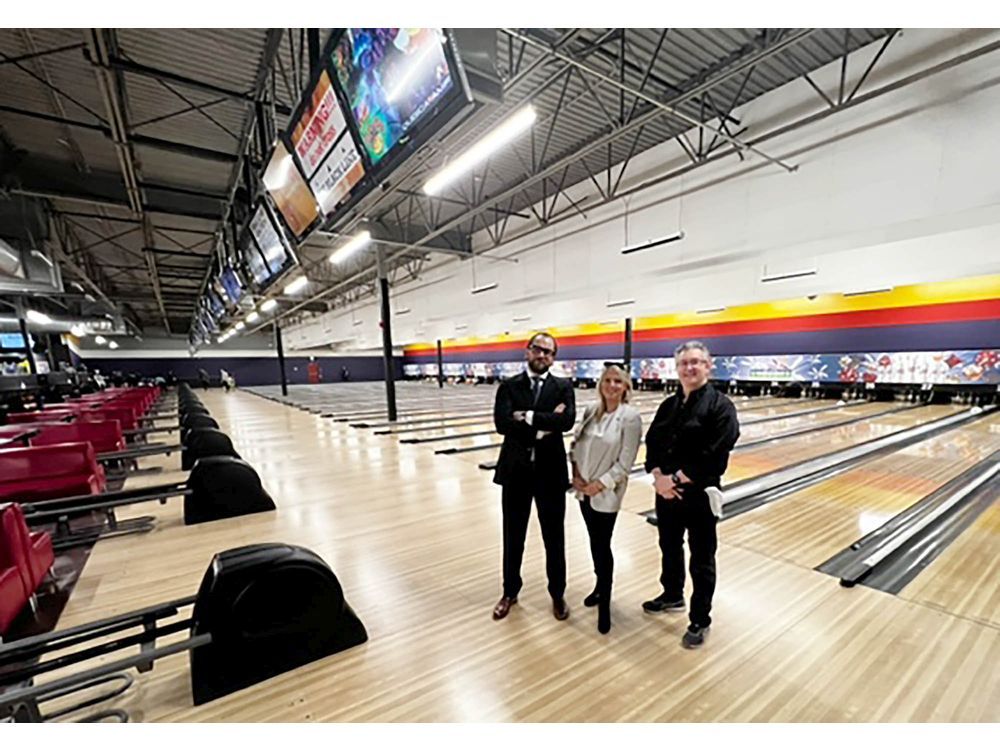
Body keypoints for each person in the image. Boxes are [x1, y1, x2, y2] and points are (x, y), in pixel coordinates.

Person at [642, 341, 739, 649]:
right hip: (666, 493)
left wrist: (675, 478)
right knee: (669, 546)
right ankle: (672, 595)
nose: (690, 367)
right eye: (684, 363)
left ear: (708, 366)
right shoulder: (668, 405)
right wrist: (658, 477)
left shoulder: (721, 406)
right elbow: (653, 443)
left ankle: (700, 619)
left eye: (696, 362)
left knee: (702, 558)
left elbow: (715, 453)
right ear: (677, 368)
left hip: (699, 494)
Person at [492, 332, 576, 622]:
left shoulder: (564, 387)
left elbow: (566, 422)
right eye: (538, 350)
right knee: (512, 536)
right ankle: (509, 592)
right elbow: (501, 423)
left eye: (549, 352)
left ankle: (557, 594)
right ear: (527, 351)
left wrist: (525, 416)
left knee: (555, 537)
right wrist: (543, 425)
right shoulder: (509, 386)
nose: (543, 356)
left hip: (550, 474)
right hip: (515, 472)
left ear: (553, 357)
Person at [569, 363, 642, 634]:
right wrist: (575, 475)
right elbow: (575, 445)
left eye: (618, 382)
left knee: (602, 545)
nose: (612, 386)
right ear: (601, 383)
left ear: (625, 387)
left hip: (606, 494)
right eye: (608, 380)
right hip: (582, 490)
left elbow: (625, 463)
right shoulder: (590, 411)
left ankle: (605, 604)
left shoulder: (630, 417)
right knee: (594, 542)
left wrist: (599, 485)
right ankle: (599, 588)